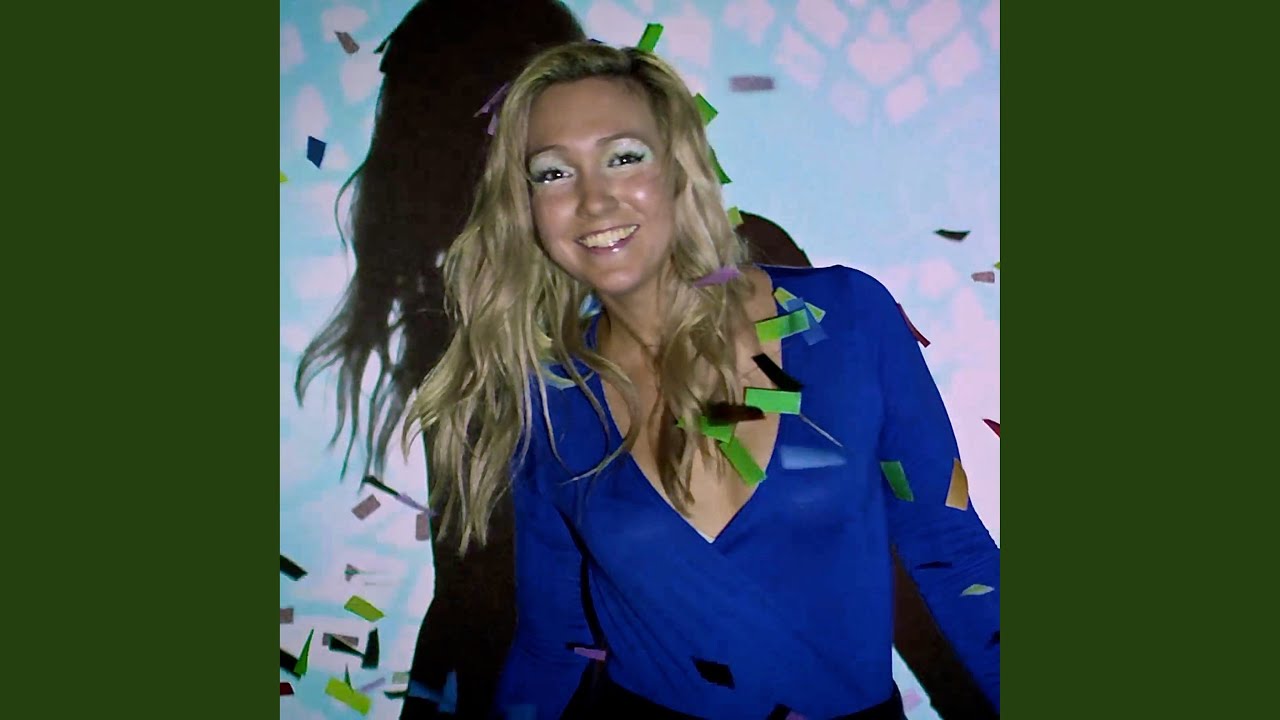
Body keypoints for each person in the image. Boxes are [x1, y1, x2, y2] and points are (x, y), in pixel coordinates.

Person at [401, 40, 1000, 720]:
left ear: (680, 168)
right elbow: (556, 640)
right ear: (527, 206)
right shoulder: (550, 400)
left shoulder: (849, 316)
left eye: (624, 157)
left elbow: (952, 551)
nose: (594, 200)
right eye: (553, 172)